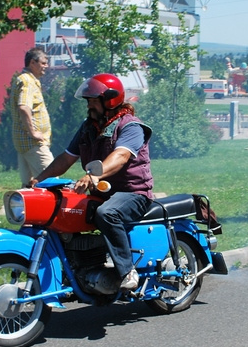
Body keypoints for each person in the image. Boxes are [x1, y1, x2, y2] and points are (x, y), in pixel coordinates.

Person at [31, 73, 153, 291]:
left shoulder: (131, 126)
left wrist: (94, 174)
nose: (89, 105)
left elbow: (121, 156)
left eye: (94, 100)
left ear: (111, 100)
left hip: (133, 193)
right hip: (103, 193)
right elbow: (67, 158)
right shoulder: (89, 128)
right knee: (63, 210)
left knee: (107, 214)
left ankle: (127, 271)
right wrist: (39, 180)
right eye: (88, 101)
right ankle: (74, 270)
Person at [12, 47, 54, 188]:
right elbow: (24, 107)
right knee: (51, 179)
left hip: (26, 143)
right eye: (43, 63)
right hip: (33, 143)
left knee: (28, 185)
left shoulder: (29, 80)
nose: (46, 66)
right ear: (32, 63)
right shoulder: (27, 81)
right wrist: (33, 133)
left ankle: (22, 210)